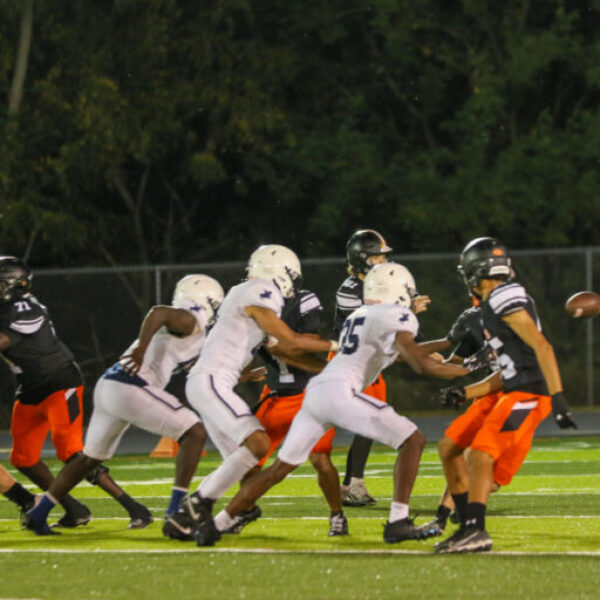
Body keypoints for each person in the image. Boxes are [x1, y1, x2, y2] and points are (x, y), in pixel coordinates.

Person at [198, 262, 478, 547]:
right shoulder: (397, 315)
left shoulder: (359, 315)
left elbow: (404, 354)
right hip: (340, 391)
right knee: (413, 440)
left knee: (279, 469)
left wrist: (449, 345)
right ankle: (397, 521)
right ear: (400, 290)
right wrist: (466, 370)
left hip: (317, 391)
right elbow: (418, 362)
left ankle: (216, 524)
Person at [163, 244, 337, 544]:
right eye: (291, 277)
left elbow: (283, 350)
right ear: (280, 272)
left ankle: (196, 520)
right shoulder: (260, 289)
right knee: (258, 443)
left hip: (209, 383)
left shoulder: (244, 293)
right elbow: (291, 340)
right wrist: (336, 347)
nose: (292, 287)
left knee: (243, 460)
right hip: (211, 382)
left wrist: (322, 369)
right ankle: (194, 507)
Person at [24, 274, 224, 535]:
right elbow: (159, 312)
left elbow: (195, 362)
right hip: (130, 385)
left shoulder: (192, 329)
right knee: (194, 432)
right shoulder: (192, 316)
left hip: (111, 385)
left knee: (88, 460)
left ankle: (38, 515)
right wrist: (141, 348)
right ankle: (175, 512)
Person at [434, 237, 577, 554]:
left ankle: (475, 529)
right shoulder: (491, 304)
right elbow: (509, 368)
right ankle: (465, 524)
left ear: (475, 272)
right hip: (514, 387)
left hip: (530, 392)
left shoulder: (504, 297)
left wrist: (558, 397)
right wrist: (465, 391)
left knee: (482, 454)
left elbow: (542, 346)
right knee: (449, 446)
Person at [0, 256, 151, 531]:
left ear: (13, 285)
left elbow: (4, 339)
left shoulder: (25, 307)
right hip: (30, 389)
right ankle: (74, 509)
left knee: (71, 452)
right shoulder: (7, 306)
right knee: (23, 458)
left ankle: (134, 507)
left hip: (59, 382)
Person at [215, 286, 347, 537]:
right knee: (250, 459)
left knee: (320, 459)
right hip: (275, 395)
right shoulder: (253, 306)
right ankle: (246, 509)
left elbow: (305, 345)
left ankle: (337, 514)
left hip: (310, 394)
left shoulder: (303, 301)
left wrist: (280, 344)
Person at [332, 230, 393, 506]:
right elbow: (372, 324)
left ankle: (350, 484)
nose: (382, 260)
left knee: (370, 422)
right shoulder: (349, 290)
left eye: (383, 255)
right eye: (376, 255)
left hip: (368, 363)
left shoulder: (377, 286)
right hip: (349, 363)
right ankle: (351, 484)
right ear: (361, 259)